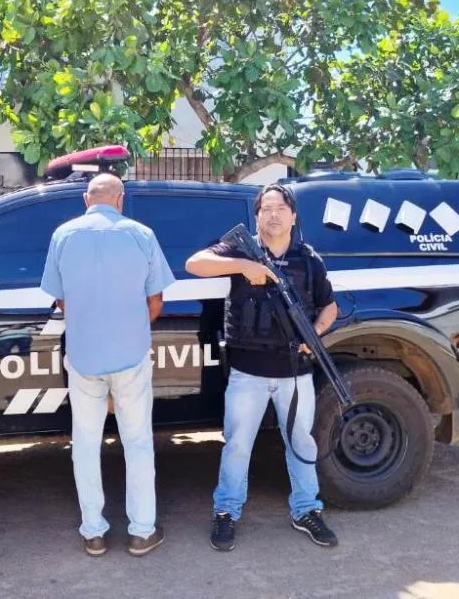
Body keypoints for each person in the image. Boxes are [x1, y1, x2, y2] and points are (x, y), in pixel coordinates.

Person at [184, 183, 339, 552]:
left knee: (301, 442)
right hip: (248, 372)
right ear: (256, 216)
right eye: (266, 209)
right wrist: (246, 266)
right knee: (237, 445)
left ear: (293, 215)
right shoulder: (241, 250)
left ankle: (306, 510)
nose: (273, 215)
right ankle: (226, 512)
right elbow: (194, 264)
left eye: (280, 208)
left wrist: (314, 333)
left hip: (295, 371)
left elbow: (329, 306)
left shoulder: (308, 258)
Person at [40, 173, 175, 557]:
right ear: (121, 198)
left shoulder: (63, 235)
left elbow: (61, 301)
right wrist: (129, 328)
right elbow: (156, 301)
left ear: (86, 199)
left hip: (83, 357)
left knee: (84, 442)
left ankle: (94, 532)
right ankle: (142, 531)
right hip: (131, 357)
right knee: (137, 442)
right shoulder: (141, 234)